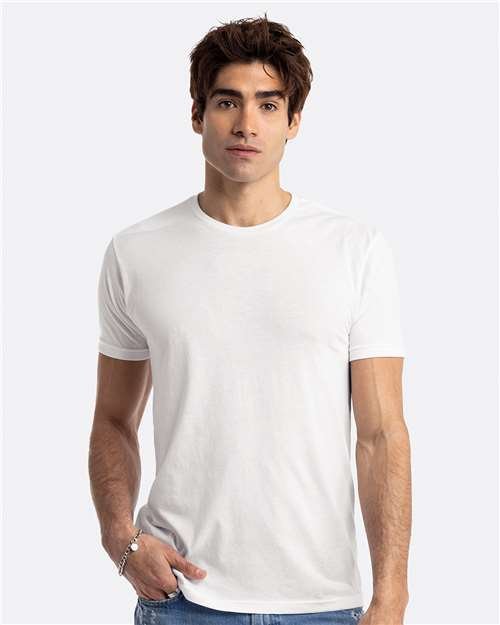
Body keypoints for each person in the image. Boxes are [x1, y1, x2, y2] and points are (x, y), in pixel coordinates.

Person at [89, 13, 411, 625]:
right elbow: (112, 418)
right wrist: (119, 539)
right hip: (181, 596)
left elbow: (381, 435)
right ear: (197, 114)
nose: (246, 124)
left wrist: (391, 594)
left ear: (294, 121)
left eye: (268, 104)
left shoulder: (355, 250)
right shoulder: (136, 252)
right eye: (226, 101)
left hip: (321, 602)